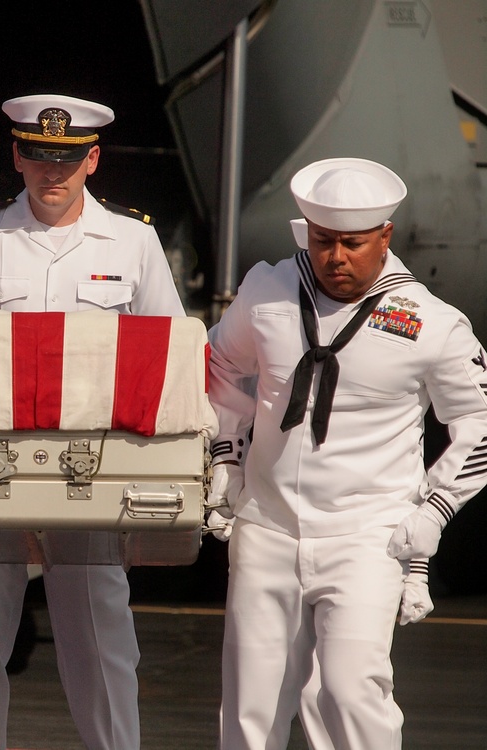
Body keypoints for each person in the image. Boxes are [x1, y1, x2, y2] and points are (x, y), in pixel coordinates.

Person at [0, 93, 186, 750]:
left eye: (68, 159)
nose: (53, 174)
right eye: (39, 157)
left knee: (100, 633)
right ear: (17, 156)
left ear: (93, 159)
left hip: (92, 465)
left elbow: (173, 354)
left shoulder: (135, 239)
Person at [207, 156, 487, 749]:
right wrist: (226, 455)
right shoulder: (267, 290)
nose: (335, 257)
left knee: (350, 690)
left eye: (352, 244)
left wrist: (433, 511)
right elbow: (218, 368)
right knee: (249, 708)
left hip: (368, 534)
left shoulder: (433, 324)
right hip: (268, 526)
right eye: (322, 241)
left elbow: (479, 422)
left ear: (385, 237)